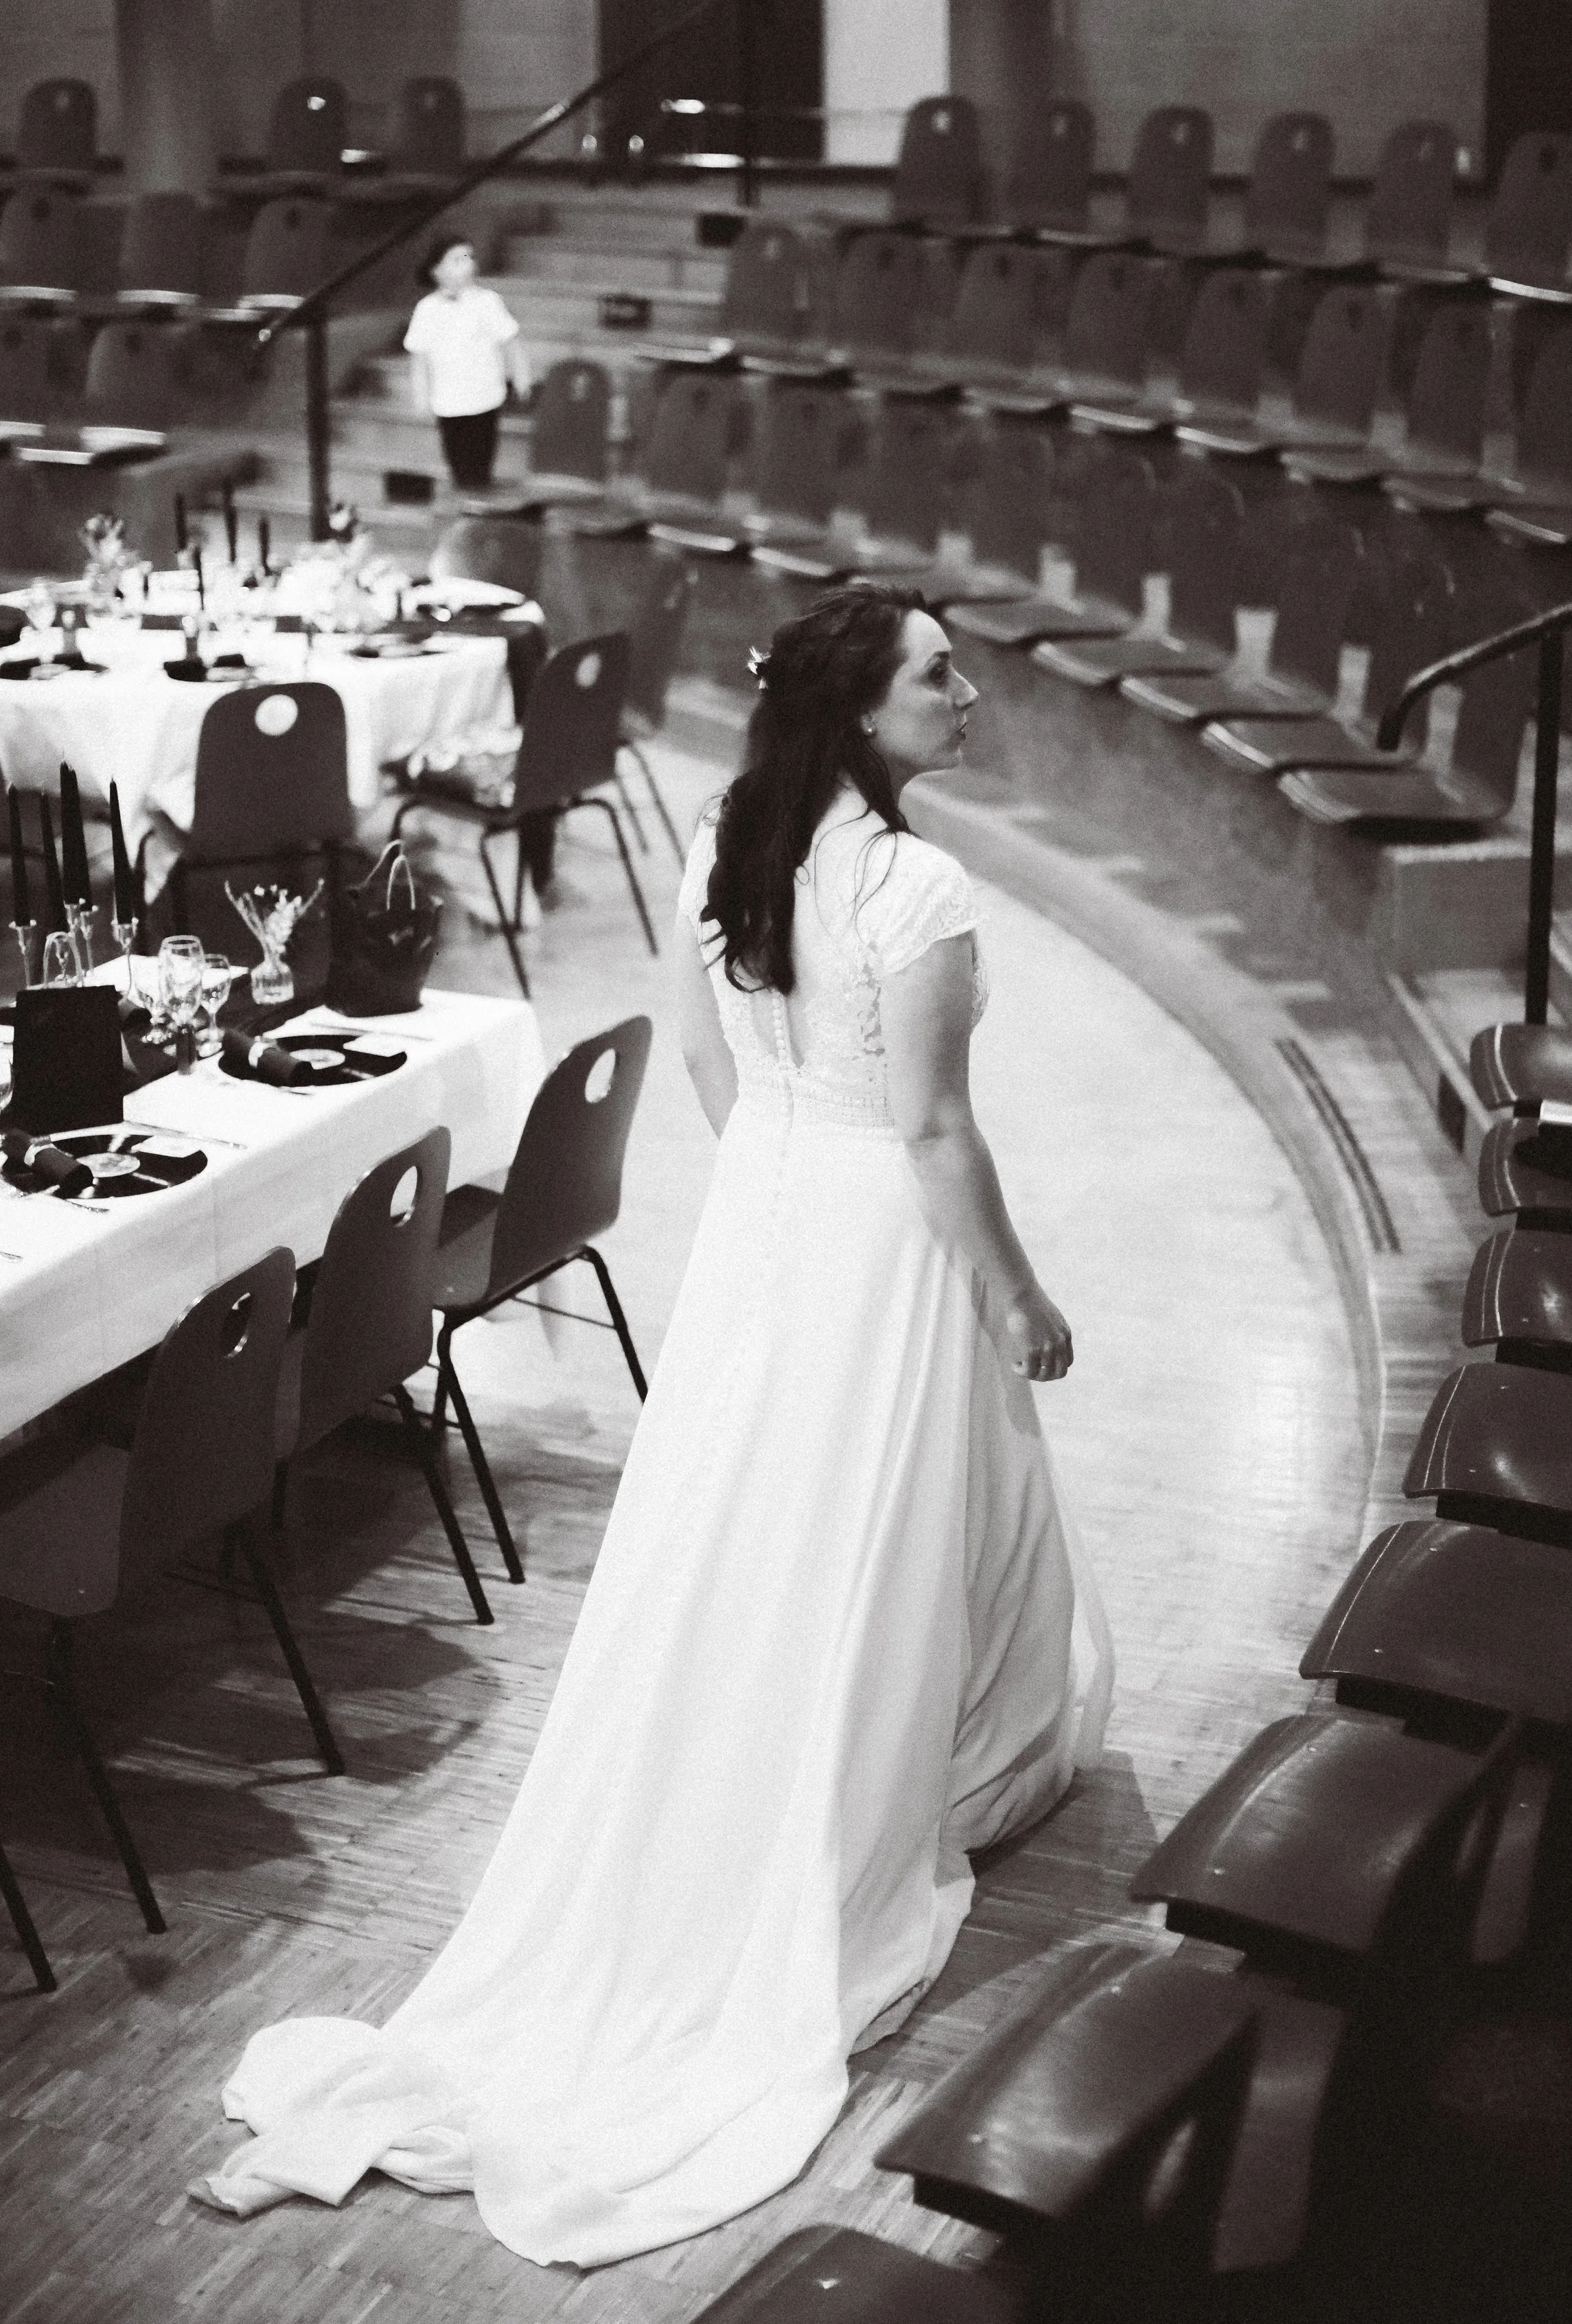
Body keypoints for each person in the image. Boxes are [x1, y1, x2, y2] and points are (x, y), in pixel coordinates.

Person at [193, 584, 1111, 2270]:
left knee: (746, 1531)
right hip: (881, 1234)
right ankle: (870, 1787)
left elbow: (710, 1056)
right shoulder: (915, 882)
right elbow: (932, 1129)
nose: (967, 695)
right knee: (865, 1531)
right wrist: (1018, 1294)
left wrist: (780, 1175)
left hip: (770, 1209)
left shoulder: (724, 843)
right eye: (935, 676)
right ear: (856, 710)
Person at [404, 235, 531, 494]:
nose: (467, 263)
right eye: (457, 259)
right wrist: (421, 394)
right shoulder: (426, 309)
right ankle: (465, 501)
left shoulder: (488, 301)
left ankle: (479, 496)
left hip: (485, 397)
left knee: (480, 463)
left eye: (469, 257)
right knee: (458, 464)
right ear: (437, 270)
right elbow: (420, 356)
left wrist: (521, 375)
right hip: (448, 401)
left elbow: (511, 341)